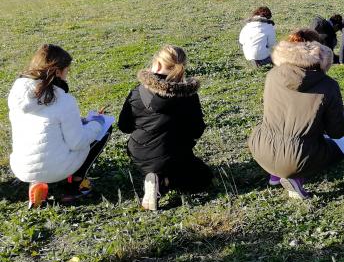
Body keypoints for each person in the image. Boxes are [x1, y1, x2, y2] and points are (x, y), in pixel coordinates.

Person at [248, 29, 344, 199]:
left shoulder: (272, 75)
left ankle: (275, 174)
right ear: (319, 53)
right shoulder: (328, 85)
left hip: (260, 148)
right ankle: (294, 178)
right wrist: (341, 114)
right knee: (341, 148)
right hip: (296, 158)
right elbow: (337, 132)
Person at [7, 44, 111, 208]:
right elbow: (77, 142)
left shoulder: (17, 94)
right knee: (103, 129)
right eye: (66, 71)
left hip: (22, 167)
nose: (66, 77)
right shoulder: (63, 100)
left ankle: (36, 183)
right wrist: (96, 123)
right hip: (55, 167)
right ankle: (76, 183)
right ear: (57, 72)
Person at [118, 45, 212, 211]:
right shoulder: (189, 95)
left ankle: (155, 178)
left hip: (140, 152)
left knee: (178, 167)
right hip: (174, 153)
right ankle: (164, 181)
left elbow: (124, 126)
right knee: (204, 178)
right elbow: (197, 129)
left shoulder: (137, 92)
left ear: (158, 64)